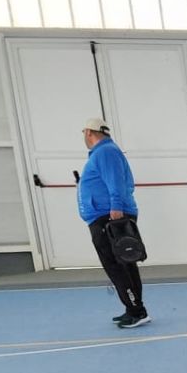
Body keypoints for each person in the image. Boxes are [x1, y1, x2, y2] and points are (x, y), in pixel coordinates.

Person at [79, 117, 148, 330]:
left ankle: (136, 310)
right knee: (125, 263)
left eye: (84, 132)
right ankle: (134, 308)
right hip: (106, 215)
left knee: (117, 265)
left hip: (108, 217)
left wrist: (116, 208)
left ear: (89, 132)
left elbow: (116, 181)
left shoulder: (105, 152)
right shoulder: (106, 152)